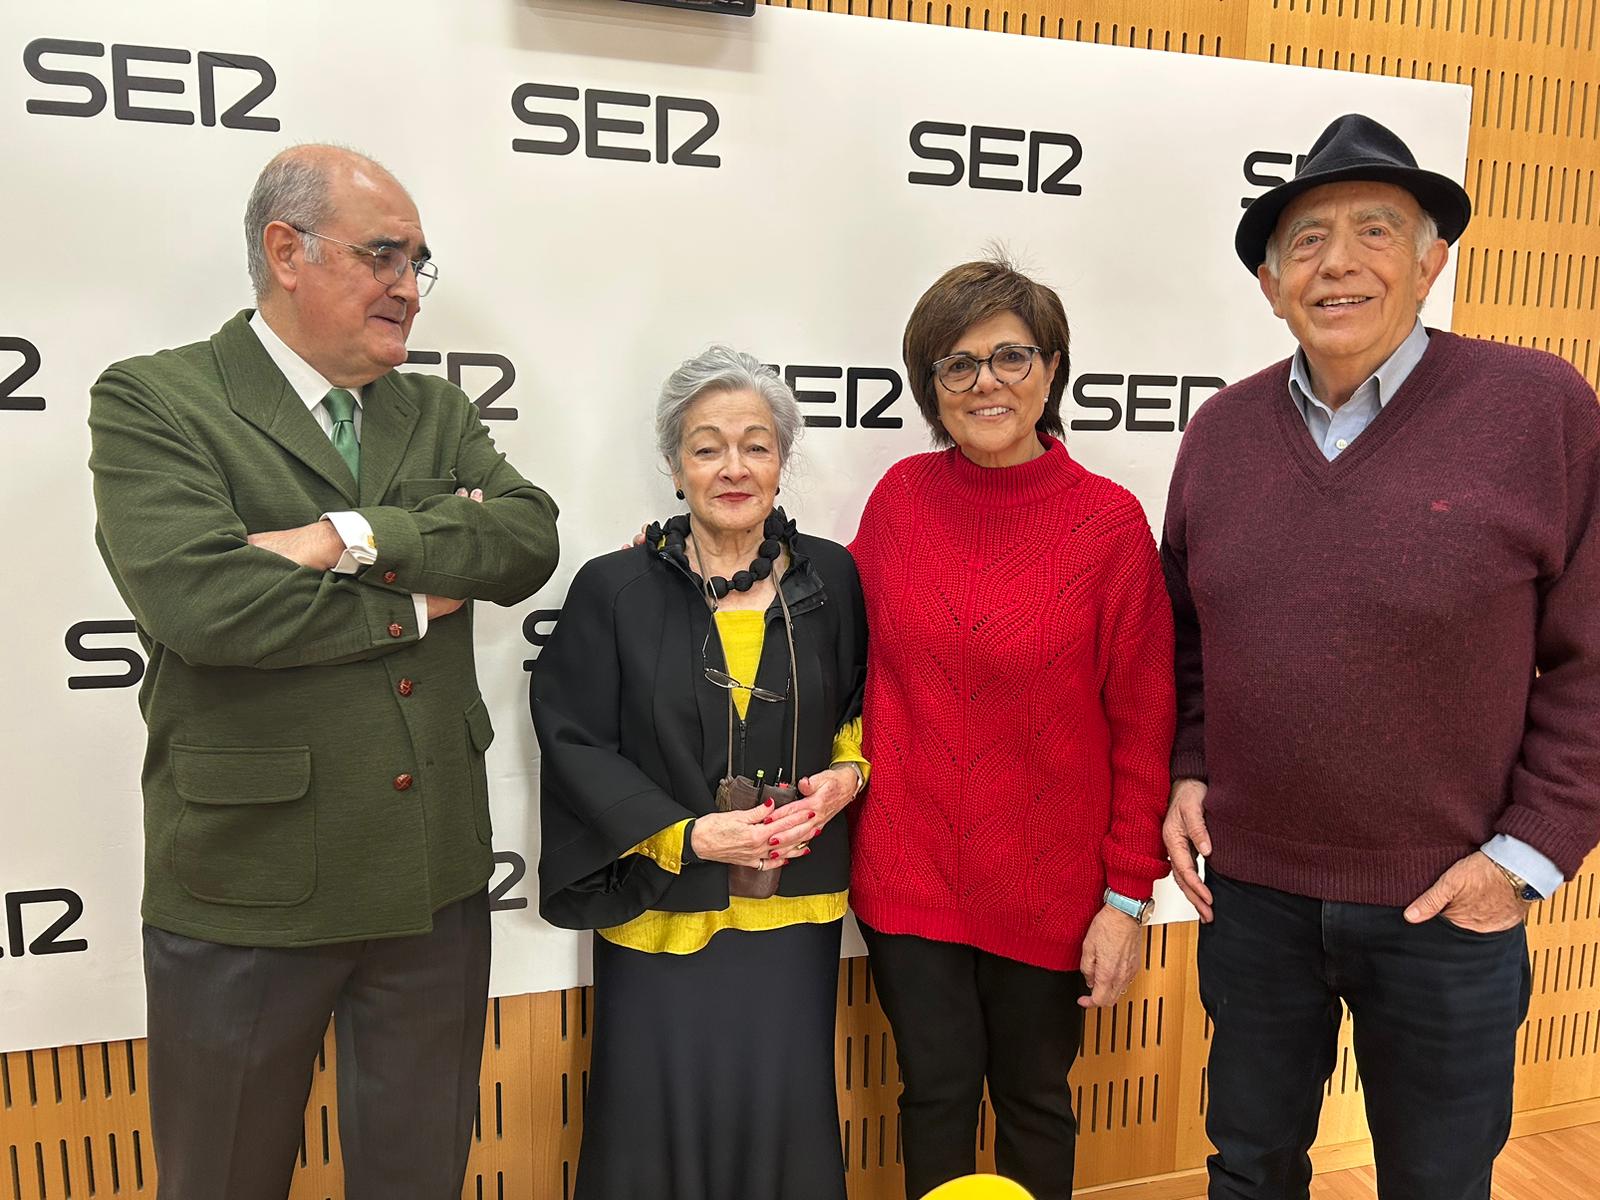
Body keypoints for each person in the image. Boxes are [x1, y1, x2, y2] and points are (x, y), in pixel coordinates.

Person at [87, 145, 560, 1200]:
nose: (407, 287)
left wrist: (336, 535)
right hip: (248, 887)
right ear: (285, 251)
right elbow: (201, 607)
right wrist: (417, 585)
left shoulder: (432, 410)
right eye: (383, 255)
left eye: (418, 263)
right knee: (222, 1179)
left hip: (430, 881)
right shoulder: (157, 400)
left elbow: (524, 542)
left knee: (417, 1178)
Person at [1161, 113, 1600, 1199]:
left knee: (1436, 1182)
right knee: (1249, 1169)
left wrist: (1526, 856)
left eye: (1373, 230)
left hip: (1446, 902)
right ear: (1269, 283)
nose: (1337, 263)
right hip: (1253, 899)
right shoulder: (1218, 434)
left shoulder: (1539, 409)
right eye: (1305, 241)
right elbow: (1188, 639)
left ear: (1429, 258)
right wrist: (1187, 767)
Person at [848, 257, 1176, 1200]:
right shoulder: (902, 500)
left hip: (1050, 884)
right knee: (934, 1095)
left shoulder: (1107, 526)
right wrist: (687, 562)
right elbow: (828, 633)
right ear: (931, 388)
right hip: (908, 869)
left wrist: (1126, 900)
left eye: (1010, 356)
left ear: (1053, 369)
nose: (986, 381)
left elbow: (1144, 728)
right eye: (958, 364)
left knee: (1035, 1100)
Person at [533, 346, 869, 1200]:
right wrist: (686, 834)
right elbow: (574, 740)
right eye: (707, 446)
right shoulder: (616, 587)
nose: (733, 467)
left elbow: (866, 706)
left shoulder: (831, 575)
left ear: (783, 461)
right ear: (674, 466)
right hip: (662, 904)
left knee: (783, 1100)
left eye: (756, 445)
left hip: (793, 902)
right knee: (653, 1109)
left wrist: (848, 776)